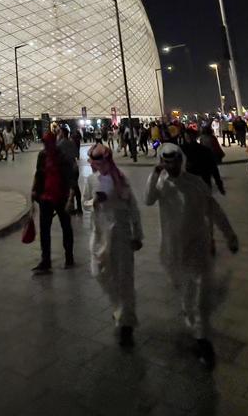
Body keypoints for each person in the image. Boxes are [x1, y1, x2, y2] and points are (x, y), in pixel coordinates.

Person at [145, 143, 239, 369]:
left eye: (174, 161)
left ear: (182, 160)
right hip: (173, 249)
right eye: (166, 161)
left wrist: (229, 235)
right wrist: (155, 173)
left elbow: (213, 209)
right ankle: (194, 323)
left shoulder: (195, 183)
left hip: (197, 248)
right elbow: (148, 199)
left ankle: (202, 339)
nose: (171, 165)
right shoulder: (161, 185)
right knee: (186, 291)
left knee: (199, 295)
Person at [86, 144, 143, 347]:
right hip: (99, 235)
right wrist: (94, 201)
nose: (95, 164)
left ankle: (126, 323)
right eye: (93, 160)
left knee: (124, 279)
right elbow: (85, 202)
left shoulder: (121, 179)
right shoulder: (91, 180)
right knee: (99, 272)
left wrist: (138, 234)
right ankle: (119, 307)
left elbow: (133, 207)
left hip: (120, 234)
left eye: (98, 160)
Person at [30, 132, 76, 274]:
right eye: (44, 142)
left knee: (66, 226)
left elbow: (71, 178)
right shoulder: (42, 156)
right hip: (46, 197)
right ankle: (46, 260)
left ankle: (69, 256)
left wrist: (70, 199)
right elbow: (38, 174)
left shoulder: (62, 157)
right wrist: (34, 191)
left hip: (61, 196)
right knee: (45, 229)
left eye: (47, 142)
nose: (45, 145)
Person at [182, 128, 226, 195]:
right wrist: (219, 185)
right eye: (188, 137)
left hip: (198, 181)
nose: (189, 139)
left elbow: (213, 168)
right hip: (198, 181)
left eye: (189, 137)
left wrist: (219, 184)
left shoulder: (182, 150)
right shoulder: (204, 150)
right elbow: (214, 168)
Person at [57, 126, 82, 215]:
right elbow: (76, 154)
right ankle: (79, 208)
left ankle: (70, 208)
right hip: (74, 167)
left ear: (63, 133)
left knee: (68, 189)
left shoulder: (59, 144)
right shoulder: (72, 143)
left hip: (66, 169)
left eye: (59, 132)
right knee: (75, 187)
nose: (58, 133)